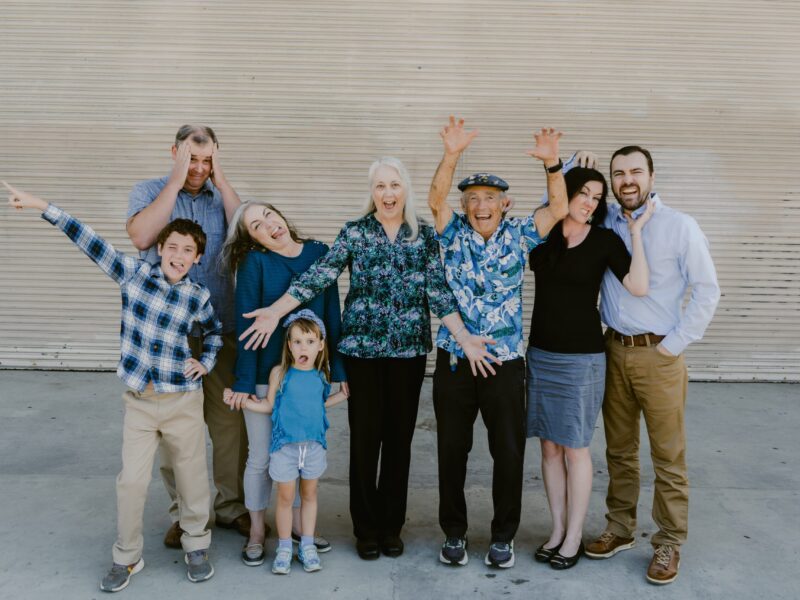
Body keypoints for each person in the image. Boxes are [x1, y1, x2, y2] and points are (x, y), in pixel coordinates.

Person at [238, 157, 496, 561]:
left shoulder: (422, 237)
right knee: (365, 439)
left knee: (398, 441)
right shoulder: (355, 233)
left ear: (404, 190)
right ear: (371, 192)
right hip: (361, 351)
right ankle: (365, 529)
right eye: (380, 187)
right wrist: (276, 309)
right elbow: (319, 275)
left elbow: (439, 292)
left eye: (394, 185)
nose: (388, 194)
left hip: (408, 352)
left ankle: (391, 527)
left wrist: (464, 337)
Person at [4, 182, 220, 590]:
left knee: (191, 476)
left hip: (182, 400)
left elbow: (215, 332)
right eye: (171, 247)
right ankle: (127, 556)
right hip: (140, 400)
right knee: (132, 481)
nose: (178, 255)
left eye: (187, 251)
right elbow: (87, 239)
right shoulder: (134, 275)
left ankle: (196, 544)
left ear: (198, 258)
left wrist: (205, 362)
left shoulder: (197, 295)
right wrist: (40, 205)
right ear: (160, 248)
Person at [427, 117, 568, 569]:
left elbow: (558, 209)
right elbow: (434, 199)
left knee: (507, 452)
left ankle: (503, 536)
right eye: (472, 199)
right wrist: (451, 155)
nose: (480, 205)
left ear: (505, 203)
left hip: (505, 362)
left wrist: (552, 164)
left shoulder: (520, 233)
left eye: (489, 198)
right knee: (452, 450)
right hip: (455, 358)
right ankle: (454, 533)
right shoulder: (452, 233)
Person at [584, 146, 720, 585]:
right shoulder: (600, 219)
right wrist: (570, 167)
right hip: (612, 350)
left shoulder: (680, 226)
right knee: (619, 450)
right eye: (618, 173)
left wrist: (674, 346)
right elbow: (553, 211)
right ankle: (620, 528)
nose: (627, 180)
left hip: (660, 355)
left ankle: (668, 540)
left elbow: (707, 290)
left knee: (668, 455)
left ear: (652, 176)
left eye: (636, 172)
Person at [126, 125, 250, 545]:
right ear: (174, 152)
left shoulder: (223, 197)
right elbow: (142, 236)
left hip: (221, 328)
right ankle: (183, 513)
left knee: (229, 425)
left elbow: (249, 233)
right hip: (168, 338)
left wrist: (223, 179)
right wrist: (176, 181)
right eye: (191, 159)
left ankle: (231, 507)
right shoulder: (149, 191)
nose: (198, 168)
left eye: (206, 159)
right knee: (173, 432)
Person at [526, 166, 653, 570]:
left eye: (597, 197)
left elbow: (638, 286)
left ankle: (575, 536)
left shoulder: (604, 240)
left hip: (582, 359)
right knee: (548, 446)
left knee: (576, 449)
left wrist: (636, 231)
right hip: (541, 354)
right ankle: (558, 529)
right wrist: (559, 170)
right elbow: (533, 221)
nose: (589, 202)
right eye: (583, 192)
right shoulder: (544, 235)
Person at [220, 200, 346, 565]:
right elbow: (246, 328)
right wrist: (244, 381)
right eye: (257, 226)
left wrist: (337, 373)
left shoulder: (320, 254)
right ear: (253, 240)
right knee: (261, 457)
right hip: (263, 377)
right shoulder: (255, 263)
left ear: (281, 215)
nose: (269, 225)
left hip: (307, 380)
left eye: (269, 215)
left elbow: (332, 316)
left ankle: (297, 530)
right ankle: (258, 530)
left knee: (303, 456)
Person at [225, 310, 347, 574]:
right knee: (284, 496)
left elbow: (319, 405)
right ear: (289, 345)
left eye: (310, 341)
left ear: (321, 345)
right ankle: (283, 546)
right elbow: (269, 405)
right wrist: (242, 400)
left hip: (313, 448)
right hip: (285, 449)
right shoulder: (280, 374)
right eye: (298, 341)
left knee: (309, 495)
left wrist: (343, 396)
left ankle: (306, 544)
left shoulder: (320, 375)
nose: (304, 347)